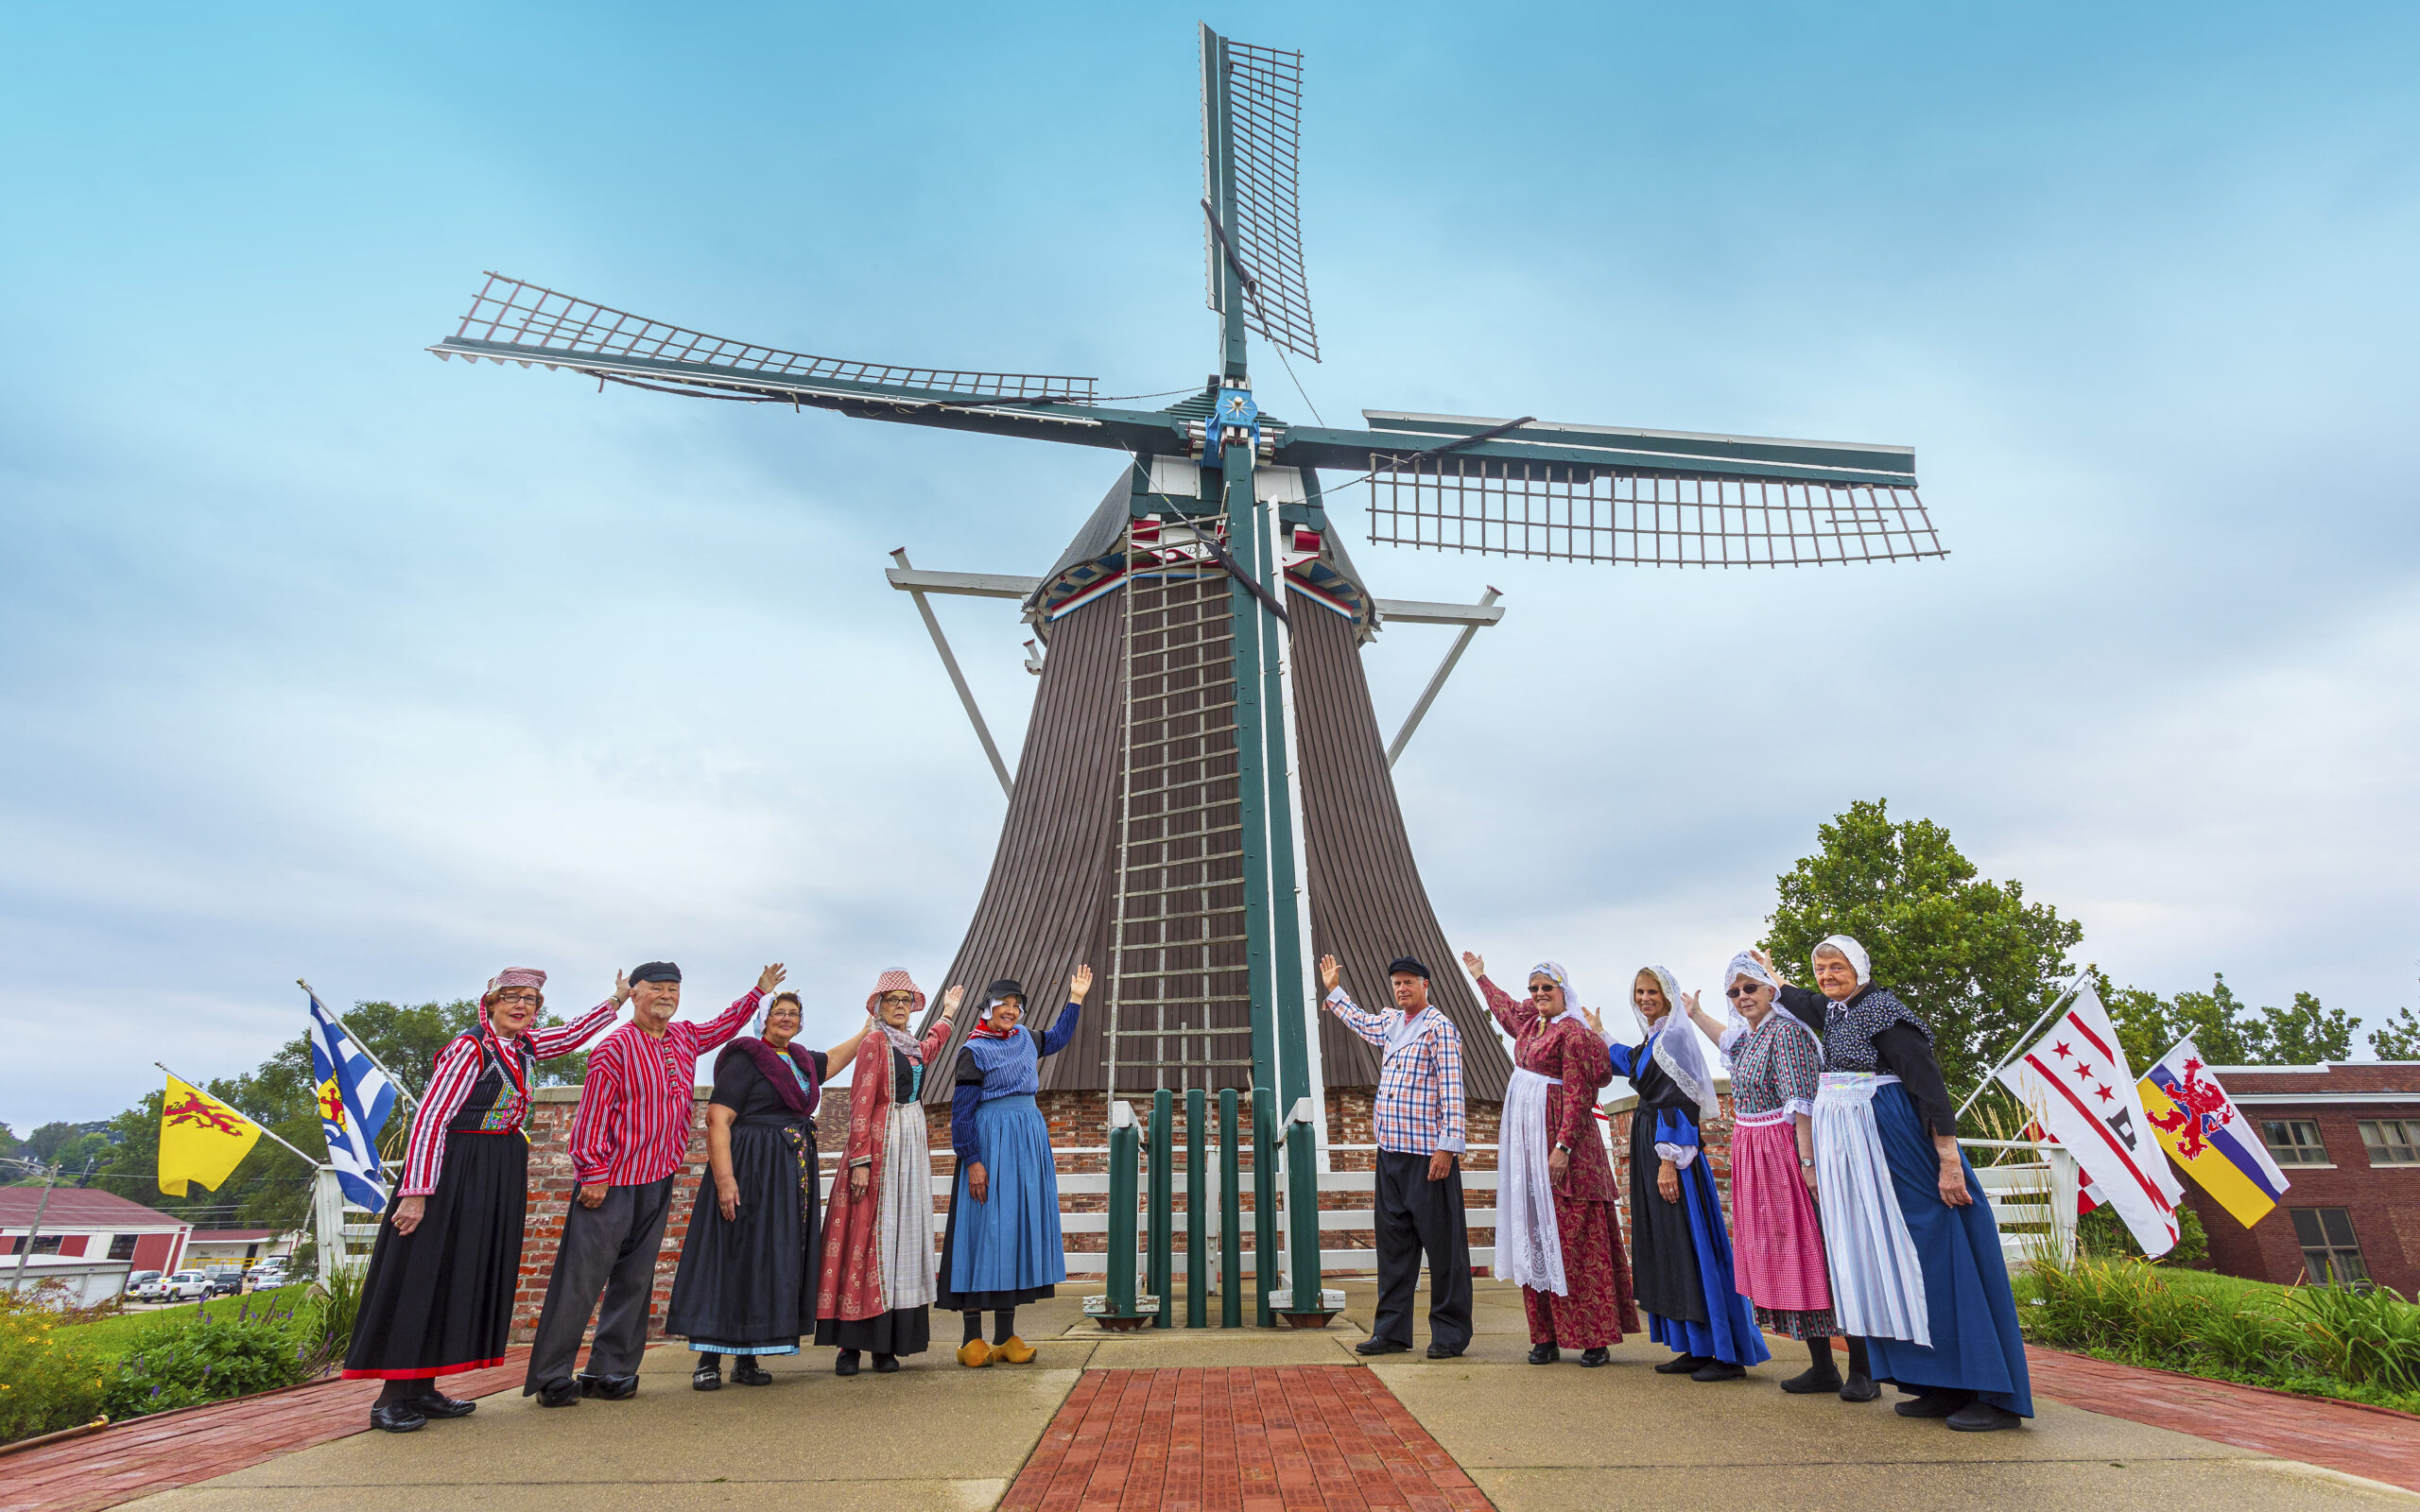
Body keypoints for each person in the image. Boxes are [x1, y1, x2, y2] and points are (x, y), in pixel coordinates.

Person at [344, 969, 622, 1432]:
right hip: (454, 1169)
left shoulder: (524, 1047)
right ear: (490, 1002)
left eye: (531, 1000)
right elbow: (432, 1119)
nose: (522, 1007)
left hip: (495, 1167)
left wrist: (615, 1000)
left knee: (458, 1272)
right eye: (512, 998)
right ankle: (390, 1397)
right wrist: (415, 1193)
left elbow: (572, 1035)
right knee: (423, 1272)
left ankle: (423, 1388)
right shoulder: (470, 1048)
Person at [523, 960, 784, 1406]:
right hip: (612, 1181)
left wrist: (757, 992)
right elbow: (592, 1116)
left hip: (659, 1176)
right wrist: (593, 1173)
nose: (666, 996)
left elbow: (723, 1025)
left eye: (673, 990)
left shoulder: (683, 1038)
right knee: (581, 1280)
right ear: (636, 994)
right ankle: (551, 1377)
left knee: (635, 1279)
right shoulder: (613, 1048)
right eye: (656, 988)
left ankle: (611, 1370)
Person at [1803, 934, 2032, 1431]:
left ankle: (1992, 1392)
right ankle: (1938, 1385)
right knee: (1899, 1260)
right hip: (1870, 1160)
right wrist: (1773, 978)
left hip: (1906, 1150)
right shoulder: (1838, 1012)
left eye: (1837, 966)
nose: (1828, 977)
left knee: (1938, 1252)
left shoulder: (1885, 1012)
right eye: (1820, 970)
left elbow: (1929, 1086)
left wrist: (1948, 1161)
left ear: (1860, 968)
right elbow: (1799, 1000)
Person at [665, 988, 872, 1389]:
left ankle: (748, 1359)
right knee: (735, 1253)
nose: (787, 1019)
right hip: (749, 1166)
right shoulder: (746, 1059)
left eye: (793, 1013)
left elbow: (833, 1062)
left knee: (768, 1258)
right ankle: (709, 1360)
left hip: (788, 1172)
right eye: (779, 1012)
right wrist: (725, 1180)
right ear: (763, 1019)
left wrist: (866, 1030)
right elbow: (717, 1119)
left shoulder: (798, 1062)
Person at [1593, 967, 1768, 1381]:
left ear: (1668, 996)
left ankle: (1723, 1352)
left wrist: (1669, 1160)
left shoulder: (1675, 1036)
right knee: (1669, 1245)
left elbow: (1681, 1100)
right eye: (1639, 992)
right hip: (1651, 1141)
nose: (1644, 998)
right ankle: (1694, 1344)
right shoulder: (1655, 1038)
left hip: (1674, 1152)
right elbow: (1629, 1062)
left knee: (1691, 1244)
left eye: (1652, 991)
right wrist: (1600, 1032)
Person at [1464, 953, 1637, 1366]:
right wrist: (1481, 978)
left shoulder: (1573, 1033)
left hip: (1565, 1153)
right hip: (1529, 1150)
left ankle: (1594, 1339)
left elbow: (1580, 1094)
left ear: (1564, 991)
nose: (1539, 994)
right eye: (1535, 989)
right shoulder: (1531, 1024)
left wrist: (1563, 1147)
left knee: (1576, 1241)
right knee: (1536, 1239)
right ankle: (1546, 1336)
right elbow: (1505, 1011)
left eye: (1547, 988)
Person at [1685, 952, 1844, 1395]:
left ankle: (1864, 1369)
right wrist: (1697, 1014)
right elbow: (1726, 1041)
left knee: (1812, 1248)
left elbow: (1803, 1104)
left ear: (1771, 989)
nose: (1741, 998)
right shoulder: (1752, 1035)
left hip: (1783, 1149)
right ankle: (1823, 1365)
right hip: (1755, 1150)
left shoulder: (1788, 1032)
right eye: (1733, 992)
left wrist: (1808, 1164)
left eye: (1749, 988)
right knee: (1786, 1253)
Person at [935, 967, 1092, 1367]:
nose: (1010, 1010)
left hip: (1026, 1139)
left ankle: (1005, 1336)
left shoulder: (1025, 1039)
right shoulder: (973, 1049)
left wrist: (1075, 998)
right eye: (1002, 1005)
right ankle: (972, 1338)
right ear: (987, 1009)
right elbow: (962, 1111)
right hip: (991, 1139)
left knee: (1014, 1231)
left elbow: (1056, 1039)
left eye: (1015, 1005)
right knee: (982, 1229)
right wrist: (972, 1159)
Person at [1320, 953, 1472, 1360]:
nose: (1402, 989)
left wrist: (1448, 1145)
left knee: (1443, 1249)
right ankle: (1391, 1331)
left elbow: (1452, 1090)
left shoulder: (1440, 1028)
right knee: (1394, 1248)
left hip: (1427, 1155)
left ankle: (1450, 1333)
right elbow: (1362, 1022)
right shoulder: (1391, 1023)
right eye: (1397, 983)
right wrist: (1334, 990)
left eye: (1409, 982)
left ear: (1426, 985)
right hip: (1390, 1153)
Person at [815, 971, 964, 1375]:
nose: (899, 1006)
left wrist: (948, 1014)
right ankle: (851, 1345)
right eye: (891, 1000)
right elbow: (860, 1101)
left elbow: (930, 1048)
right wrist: (861, 1161)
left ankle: (887, 1344)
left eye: (905, 1000)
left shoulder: (910, 1045)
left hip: (910, 1144)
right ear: (877, 1006)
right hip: (881, 1144)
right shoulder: (873, 1042)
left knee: (901, 1237)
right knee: (868, 1237)